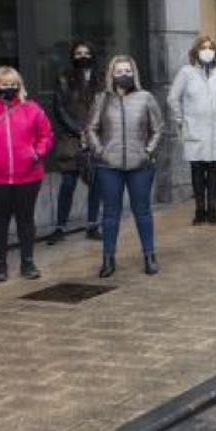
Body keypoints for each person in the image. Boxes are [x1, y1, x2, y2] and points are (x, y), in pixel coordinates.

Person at [0, 66, 54, 283]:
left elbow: (46, 135)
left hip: (28, 175)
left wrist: (37, 153)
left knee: (26, 220)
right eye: (4, 83)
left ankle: (27, 261)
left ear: (19, 85)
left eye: (13, 83)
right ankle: (0, 264)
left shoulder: (32, 108)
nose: (9, 87)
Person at [86, 56, 164, 278]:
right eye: (119, 70)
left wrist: (148, 152)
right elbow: (91, 128)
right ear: (112, 74)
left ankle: (149, 256)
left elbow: (158, 128)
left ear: (134, 72)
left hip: (140, 165)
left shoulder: (145, 97)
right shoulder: (102, 99)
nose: (124, 74)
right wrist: (100, 151)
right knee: (110, 214)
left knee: (143, 212)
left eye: (127, 70)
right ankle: (108, 259)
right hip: (109, 166)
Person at [168, 35, 216, 226]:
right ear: (196, 52)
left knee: (213, 171)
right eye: (203, 48)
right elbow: (173, 98)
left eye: (210, 48)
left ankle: (212, 209)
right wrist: (181, 119)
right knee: (197, 171)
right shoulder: (186, 73)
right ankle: (199, 210)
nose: (207, 51)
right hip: (194, 130)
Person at [50, 40, 102, 244]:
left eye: (86, 52)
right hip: (70, 138)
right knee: (68, 183)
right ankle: (60, 228)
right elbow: (59, 108)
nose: (82, 56)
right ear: (73, 56)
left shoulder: (101, 78)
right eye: (78, 53)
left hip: (96, 137)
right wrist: (78, 130)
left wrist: (92, 132)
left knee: (96, 183)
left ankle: (92, 226)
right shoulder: (64, 78)